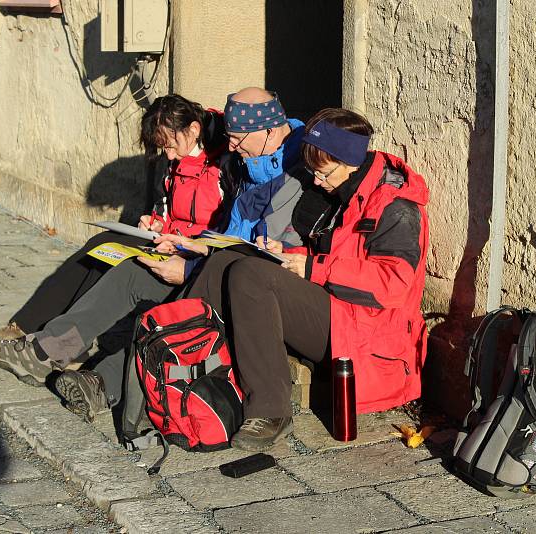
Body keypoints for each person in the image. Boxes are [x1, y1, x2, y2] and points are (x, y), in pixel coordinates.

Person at [0, 88, 309, 424]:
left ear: (267, 130)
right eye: (230, 139)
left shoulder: (293, 174)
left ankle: (101, 382)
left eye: (237, 139)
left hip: (245, 287)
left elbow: (271, 254)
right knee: (128, 266)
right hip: (210, 263)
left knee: (173, 309)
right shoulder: (250, 164)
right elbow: (228, 237)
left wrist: (190, 262)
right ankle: (48, 352)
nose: (231, 147)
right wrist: (183, 245)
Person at [168, 107, 430, 451]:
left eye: (323, 173)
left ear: (348, 162)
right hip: (338, 312)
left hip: (368, 336)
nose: (317, 182)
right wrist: (293, 256)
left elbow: (392, 284)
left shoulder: (396, 208)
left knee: (251, 276)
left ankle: (271, 410)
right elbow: (335, 256)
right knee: (226, 260)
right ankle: (178, 364)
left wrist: (312, 268)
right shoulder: (344, 189)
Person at [0, 93, 227, 344]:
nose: (168, 155)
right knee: (100, 247)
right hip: (167, 240)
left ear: (193, 129)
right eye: (163, 148)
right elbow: (167, 202)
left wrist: (184, 242)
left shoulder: (224, 165)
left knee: (118, 262)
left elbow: (225, 225)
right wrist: (156, 221)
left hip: (191, 253)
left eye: (171, 146)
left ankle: (60, 341)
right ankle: (26, 325)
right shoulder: (179, 157)